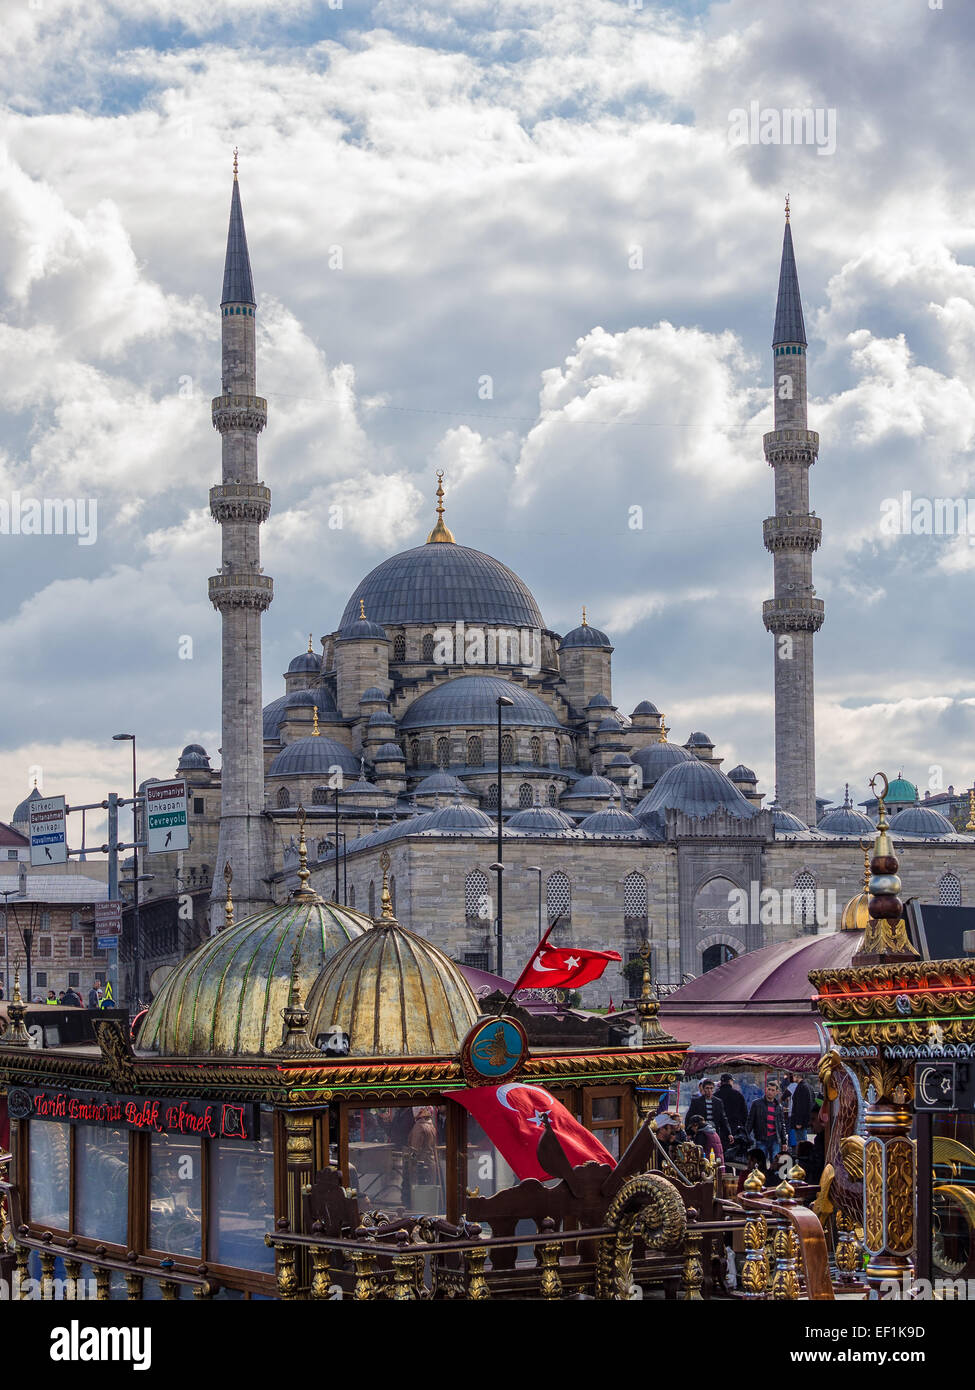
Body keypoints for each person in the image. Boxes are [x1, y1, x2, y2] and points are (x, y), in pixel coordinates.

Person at [747, 1080, 787, 1166]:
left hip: (775, 1139)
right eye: (769, 1089)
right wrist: (746, 1137)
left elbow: (782, 1124)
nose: (770, 1092)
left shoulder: (778, 1107)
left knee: (776, 1163)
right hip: (761, 1138)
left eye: (773, 1090)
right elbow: (750, 1121)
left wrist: (784, 1142)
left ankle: (774, 1179)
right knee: (760, 1164)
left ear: (777, 1092)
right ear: (766, 1090)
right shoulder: (756, 1104)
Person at [684, 1078, 732, 1150]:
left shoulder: (718, 1102)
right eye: (707, 1088)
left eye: (711, 1088)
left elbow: (723, 1118)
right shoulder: (696, 1102)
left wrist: (729, 1133)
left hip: (714, 1131)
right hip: (701, 1131)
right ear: (703, 1089)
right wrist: (689, 1133)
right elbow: (689, 1117)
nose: (709, 1090)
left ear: (713, 1089)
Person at [789, 1075, 813, 1147]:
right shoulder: (808, 1086)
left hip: (800, 1122)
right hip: (805, 1120)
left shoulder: (801, 1087)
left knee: (801, 1144)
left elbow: (800, 1105)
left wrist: (799, 1122)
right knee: (802, 1142)